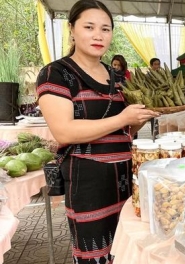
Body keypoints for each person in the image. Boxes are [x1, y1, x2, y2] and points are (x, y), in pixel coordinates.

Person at [35, 1, 160, 263]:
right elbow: (64, 132)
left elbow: (126, 130)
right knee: (95, 254)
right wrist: (122, 117)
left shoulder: (118, 78)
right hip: (88, 184)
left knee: (128, 251)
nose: (98, 35)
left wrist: (142, 116)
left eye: (105, 29)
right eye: (89, 27)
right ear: (72, 29)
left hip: (126, 178)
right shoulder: (56, 73)